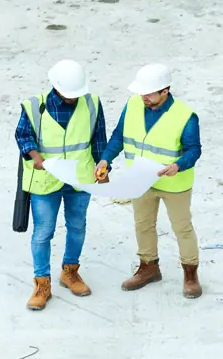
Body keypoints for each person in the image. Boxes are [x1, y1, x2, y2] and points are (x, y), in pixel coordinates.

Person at [98, 62, 203, 299]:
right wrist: (106, 159)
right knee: (142, 225)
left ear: (165, 91)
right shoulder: (134, 104)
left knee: (182, 228)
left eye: (148, 93)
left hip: (174, 184)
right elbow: (119, 136)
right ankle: (149, 268)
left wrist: (178, 165)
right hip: (141, 180)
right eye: (141, 92)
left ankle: (190, 273)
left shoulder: (185, 116)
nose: (143, 97)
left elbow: (194, 150)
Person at [15, 60, 106, 311]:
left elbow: (99, 137)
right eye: (69, 94)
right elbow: (23, 135)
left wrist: (102, 166)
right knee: (43, 231)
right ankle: (42, 284)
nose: (73, 99)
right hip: (46, 179)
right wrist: (36, 158)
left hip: (79, 176)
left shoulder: (91, 103)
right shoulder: (34, 106)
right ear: (55, 87)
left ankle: (70, 272)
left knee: (77, 225)